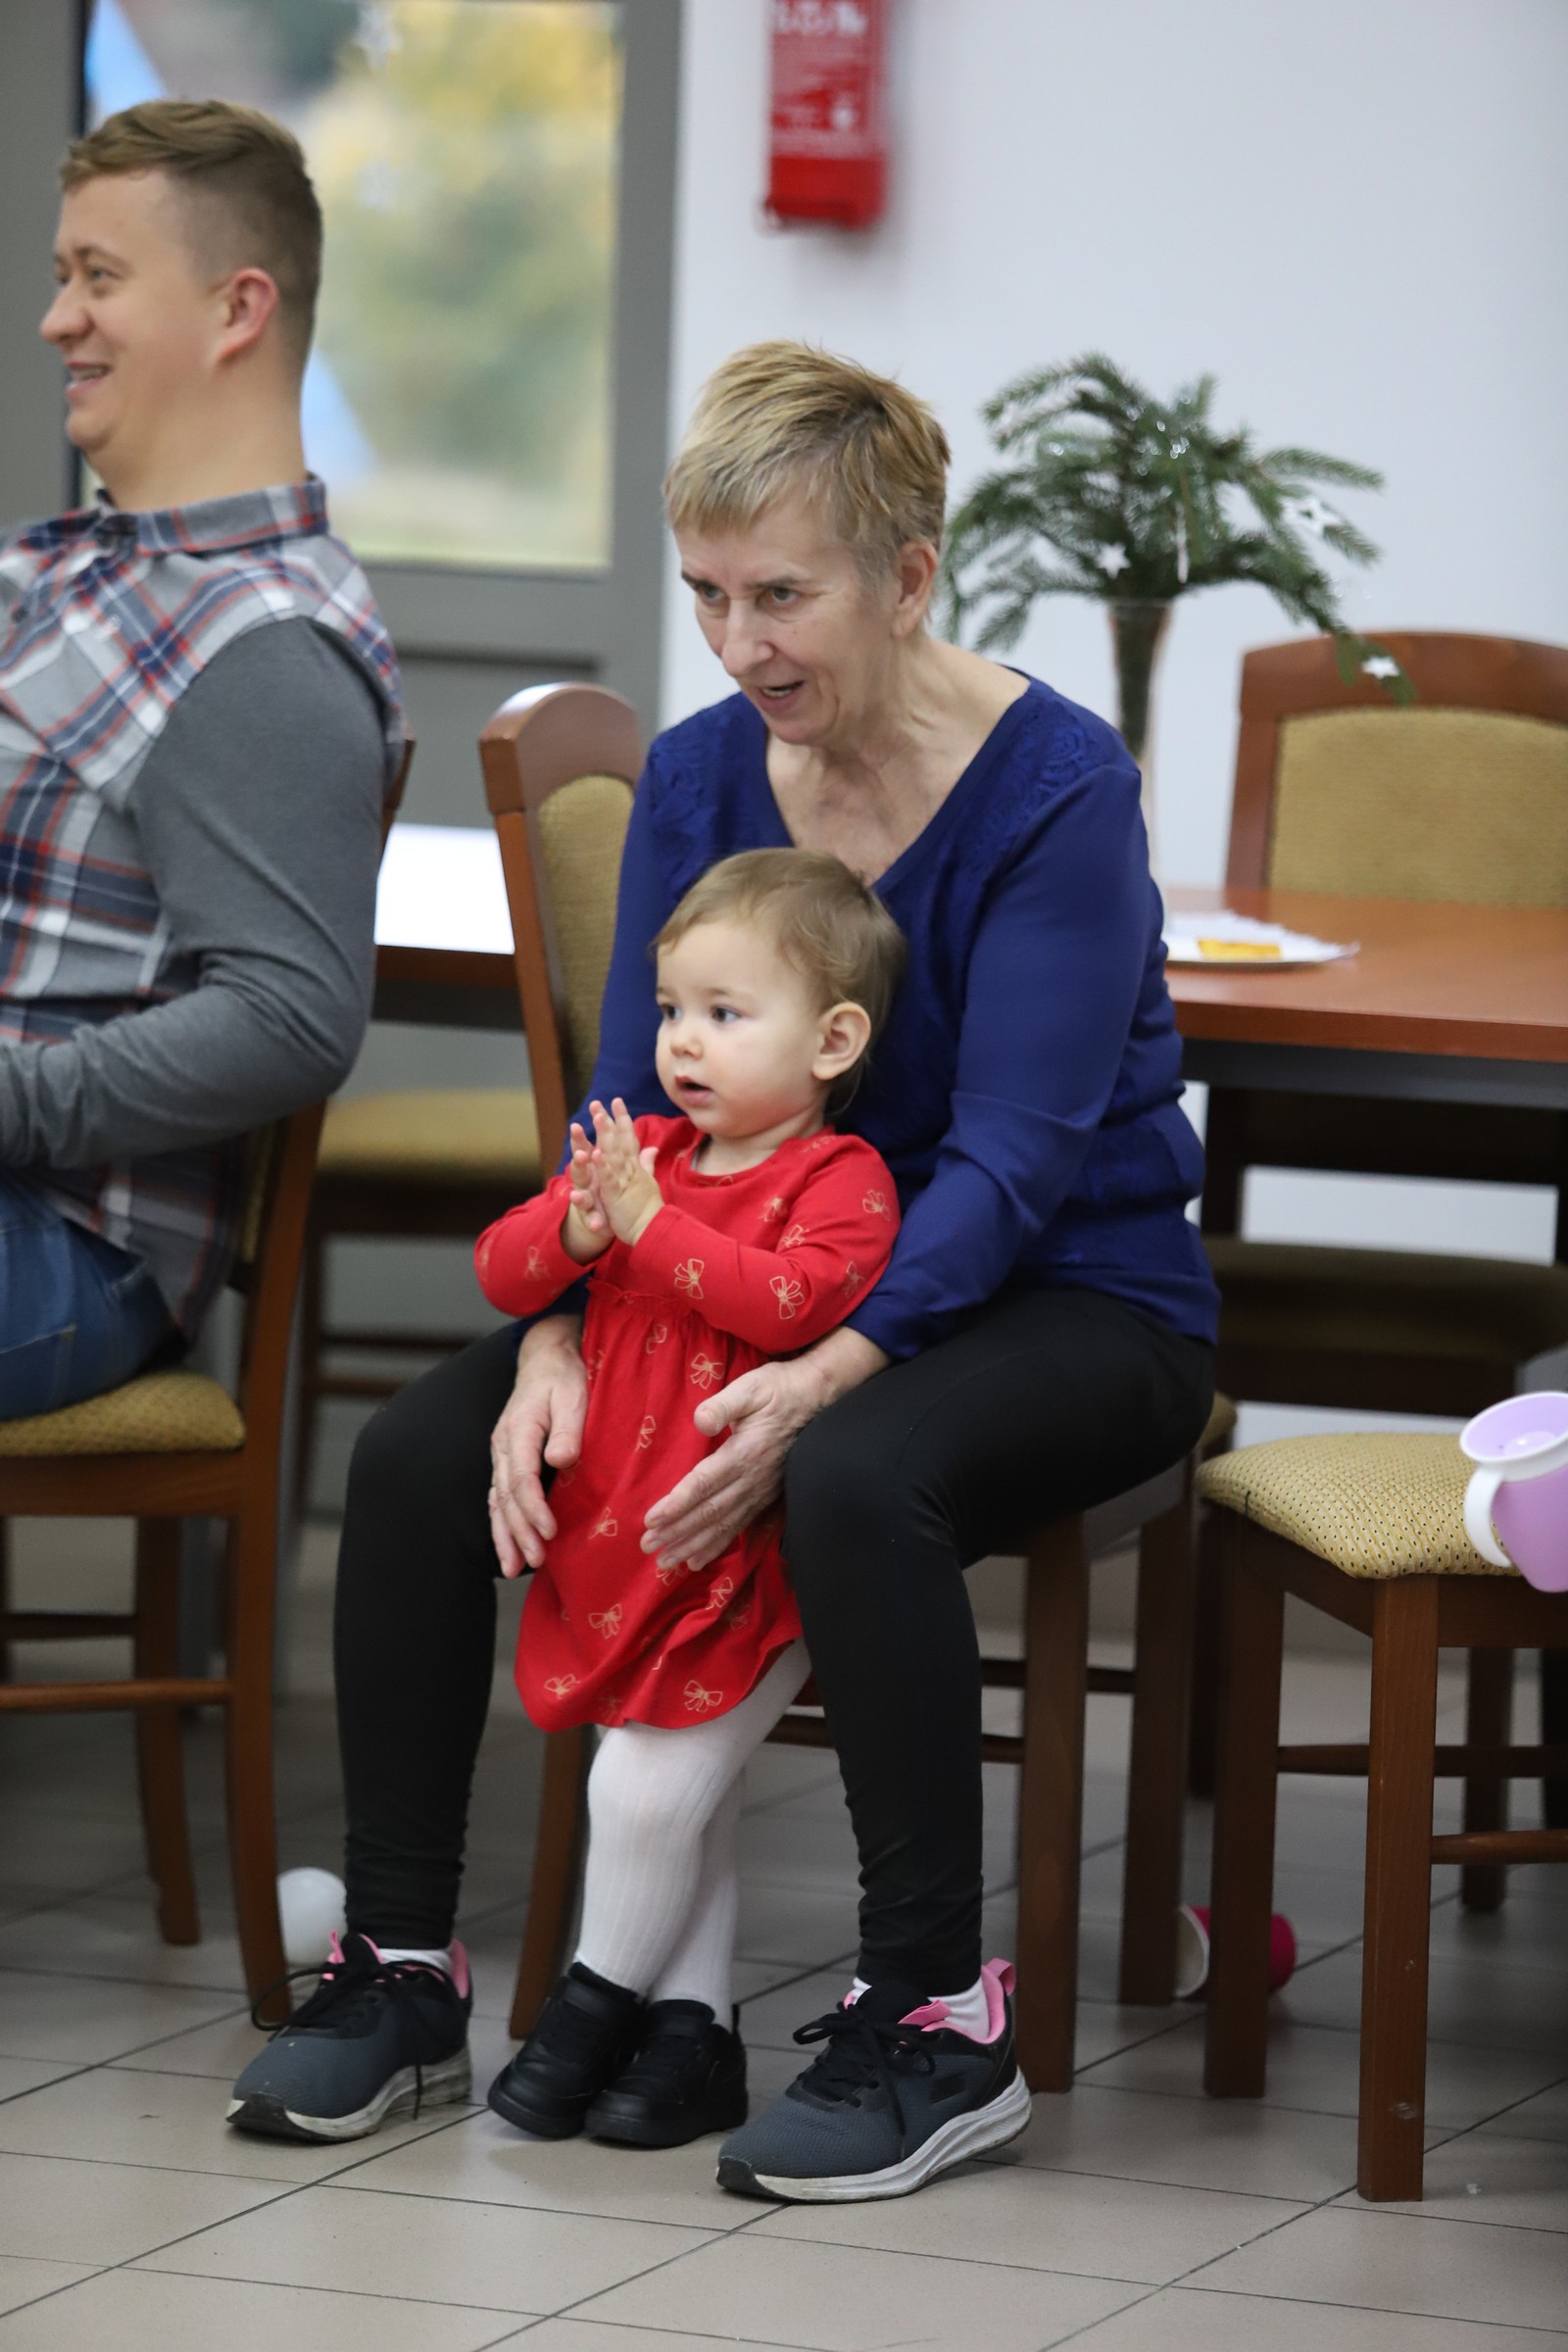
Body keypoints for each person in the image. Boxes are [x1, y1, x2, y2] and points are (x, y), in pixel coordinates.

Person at [230, 342, 1217, 2204]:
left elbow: (1013, 1161)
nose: (740, 641)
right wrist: (553, 1332)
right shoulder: (697, 777)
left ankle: (936, 2020)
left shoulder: (1057, 789)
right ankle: (402, 1969)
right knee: (421, 1453)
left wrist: (829, 1372)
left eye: (782, 594)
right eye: (707, 594)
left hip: (1068, 1296)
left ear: (908, 576)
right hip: (723, 1279)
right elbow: (621, 1107)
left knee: (853, 1472)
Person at [0, 99, 401, 1419]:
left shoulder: (265, 646)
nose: (58, 319)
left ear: (238, 310)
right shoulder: (65, 568)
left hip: (62, 1234)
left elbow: (292, 1017)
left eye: (99, 278)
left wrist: (14, 1102)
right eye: (63, 276)